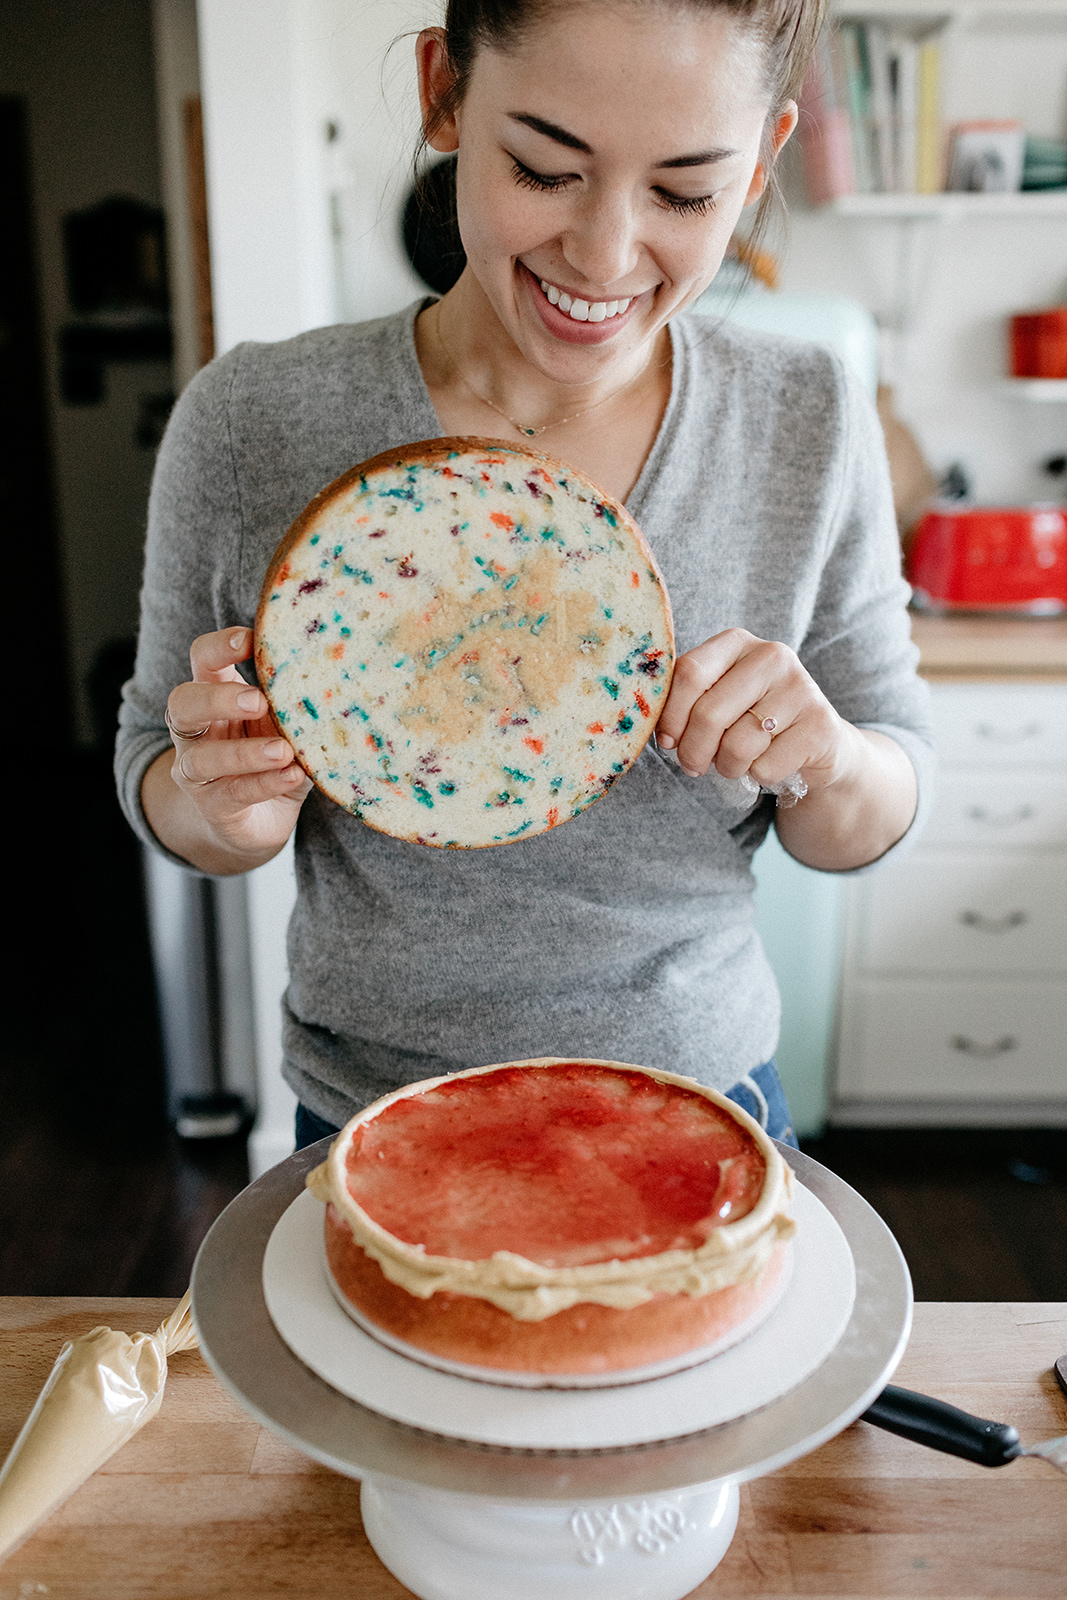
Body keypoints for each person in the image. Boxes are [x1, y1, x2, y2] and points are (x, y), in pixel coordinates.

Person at [117, 0, 934, 1153]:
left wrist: (830, 759)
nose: (603, 254)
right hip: (370, 1119)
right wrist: (220, 802)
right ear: (442, 92)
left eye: (684, 192)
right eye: (545, 169)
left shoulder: (804, 416)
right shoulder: (255, 421)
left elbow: (882, 787)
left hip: (702, 1108)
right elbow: (153, 762)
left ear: (761, 161)